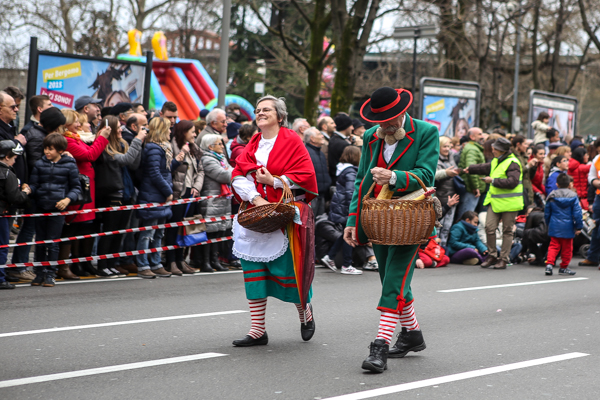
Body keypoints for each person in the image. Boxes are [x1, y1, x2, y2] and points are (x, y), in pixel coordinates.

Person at [344, 87, 438, 373]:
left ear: (402, 112)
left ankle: (379, 347)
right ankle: (412, 335)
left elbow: (427, 175)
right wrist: (352, 221)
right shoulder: (372, 136)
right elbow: (362, 179)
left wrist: (394, 177)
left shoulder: (425, 131)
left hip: (412, 218)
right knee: (390, 280)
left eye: (391, 119)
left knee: (394, 280)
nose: (386, 126)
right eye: (381, 121)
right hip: (379, 218)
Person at [230, 95, 318, 347]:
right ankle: (258, 330)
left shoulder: (292, 140)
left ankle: (305, 313)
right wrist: (256, 197)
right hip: (257, 215)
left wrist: (274, 181)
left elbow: (306, 175)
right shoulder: (254, 142)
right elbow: (238, 172)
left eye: (266, 109)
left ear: (280, 116)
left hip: (284, 215)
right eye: (258, 110)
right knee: (253, 270)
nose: (260, 113)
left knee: (290, 270)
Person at [58, 109, 110, 278]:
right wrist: (102, 138)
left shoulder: (75, 138)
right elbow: (90, 155)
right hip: (79, 187)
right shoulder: (67, 140)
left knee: (84, 227)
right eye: (76, 122)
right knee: (75, 226)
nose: (79, 125)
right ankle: (70, 265)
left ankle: (82, 263)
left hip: (87, 187)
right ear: (66, 123)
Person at [94, 115, 145, 278]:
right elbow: (125, 159)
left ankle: (112, 264)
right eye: (118, 127)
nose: (121, 129)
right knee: (109, 232)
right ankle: (102, 265)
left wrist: (135, 144)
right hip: (112, 194)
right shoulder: (105, 149)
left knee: (119, 232)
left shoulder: (122, 144)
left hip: (126, 193)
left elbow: (133, 163)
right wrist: (138, 140)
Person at [29, 133, 81, 285]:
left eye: (50, 149)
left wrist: (67, 199)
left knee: (53, 242)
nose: (47, 152)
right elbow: (34, 184)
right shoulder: (40, 164)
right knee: (39, 242)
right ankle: (39, 273)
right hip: (40, 207)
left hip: (58, 209)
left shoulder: (70, 165)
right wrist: (28, 189)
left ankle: (50, 273)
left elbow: (76, 187)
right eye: (45, 148)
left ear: (60, 149)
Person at [465, 137, 523, 270]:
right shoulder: (497, 160)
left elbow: (512, 182)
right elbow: (485, 167)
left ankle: (503, 259)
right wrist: (470, 169)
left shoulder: (513, 162)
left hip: (510, 203)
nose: (492, 150)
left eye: (495, 148)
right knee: (489, 228)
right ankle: (492, 256)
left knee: (507, 231)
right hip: (496, 202)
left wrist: (493, 181)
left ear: (502, 150)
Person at [136, 117, 181, 278]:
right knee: (148, 232)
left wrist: (176, 161)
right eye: (168, 128)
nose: (170, 131)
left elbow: (165, 170)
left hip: (159, 195)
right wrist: (168, 191)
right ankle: (143, 265)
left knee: (159, 233)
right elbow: (154, 173)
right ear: (162, 130)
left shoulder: (163, 148)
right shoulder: (154, 148)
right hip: (153, 195)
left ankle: (155, 263)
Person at [165, 120, 204, 274]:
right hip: (177, 192)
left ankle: (181, 260)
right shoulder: (173, 146)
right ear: (183, 132)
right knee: (173, 228)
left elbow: (201, 170)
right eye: (192, 131)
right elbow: (168, 168)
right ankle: (171, 262)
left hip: (190, 192)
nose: (195, 134)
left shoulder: (195, 148)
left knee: (183, 228)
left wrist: (196, 187)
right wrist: (181, 153)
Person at [321, 146, 363, 275]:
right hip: (346, 209)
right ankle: (347, 264)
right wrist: (354, 211)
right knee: (350, 234)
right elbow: (351, 193)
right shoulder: (351, 172)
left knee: (345, 234)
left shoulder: (344, 170)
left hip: (341, 207)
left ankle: (330, 257)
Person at [198, 134, 232, 272]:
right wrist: (230, 171)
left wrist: (230, 170)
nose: (222, 147)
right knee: (210, 232)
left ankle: (215, 260)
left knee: (219, 231)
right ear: (210, 146)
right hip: (211, 199)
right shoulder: (207, 159)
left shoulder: (221, 158)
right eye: (219, 144)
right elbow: (225, 175)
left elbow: (229, 171)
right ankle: (205, 262)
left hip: (222, 199)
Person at [0, 141, 30, 289]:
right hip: (2, 216)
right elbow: (15, 198)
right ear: (6, 157)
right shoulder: (7, 173)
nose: (15, 160)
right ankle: (0, 278)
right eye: (14, 157)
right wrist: (25, 192)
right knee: (2, 246)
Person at [544, 173, 582, 276]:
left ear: (557, 184)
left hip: (554, 224)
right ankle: (564, 267)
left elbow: (547, 212)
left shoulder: (551, 195)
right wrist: (579, 226)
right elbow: (577, 213)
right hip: (568, 226)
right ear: (570, 184)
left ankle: (549, 264)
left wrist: (548, 223)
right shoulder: (573, 196)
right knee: (567, 248)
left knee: (553, 246)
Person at [435, 136, 460, 247]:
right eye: (444, 146)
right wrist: (446, 173)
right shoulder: (435, 159)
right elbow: (433, 176)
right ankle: (435, 250)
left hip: (452, 196)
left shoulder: (451, 158)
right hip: (439, 197)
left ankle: (443, 250)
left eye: (449, 146)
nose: (447, 149)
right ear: (439, 147)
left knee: (447, 227)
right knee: (438, 226)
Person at [456, 128, 485, 220]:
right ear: (472, 137)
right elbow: (471, 169)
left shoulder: (473, 148)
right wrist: (475, 187)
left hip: (471, 188)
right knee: (466, 216)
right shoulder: (472, 149)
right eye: (480, 134)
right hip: (471, 189)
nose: (482, 136)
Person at [579, 139, 600, 267]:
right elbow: (591, 176)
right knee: (595, 227)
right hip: (599, 196)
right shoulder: (597, 158)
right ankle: (592, 257)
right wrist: (595, 182)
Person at [0, 91, 27, 184]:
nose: (16, 109)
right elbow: (4, 152)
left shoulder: (9, 127)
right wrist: (17, 142)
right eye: (12, 107)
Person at [305, 127, 331, 217]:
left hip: (321, 194)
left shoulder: (321, 153)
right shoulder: (306, 152)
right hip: (311, 196)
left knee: (320, 221)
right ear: (312, 138)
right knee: (310, 221)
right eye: (319, 134)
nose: (322, 136)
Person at [328, 114, 353, 185]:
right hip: (342, 180)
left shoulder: (334, 139)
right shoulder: (342, 144)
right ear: (346, 127)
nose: (352, 128)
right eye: (351, 125)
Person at [512, 135, 535, 207]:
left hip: (527, 187)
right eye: (525, 144)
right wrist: (528, 166)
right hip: (519, 189)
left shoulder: (523, 155)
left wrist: (533, 167)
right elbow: (517, 172)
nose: (527, 146)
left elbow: (529, 176)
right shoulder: (513, 156)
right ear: (518, 144)